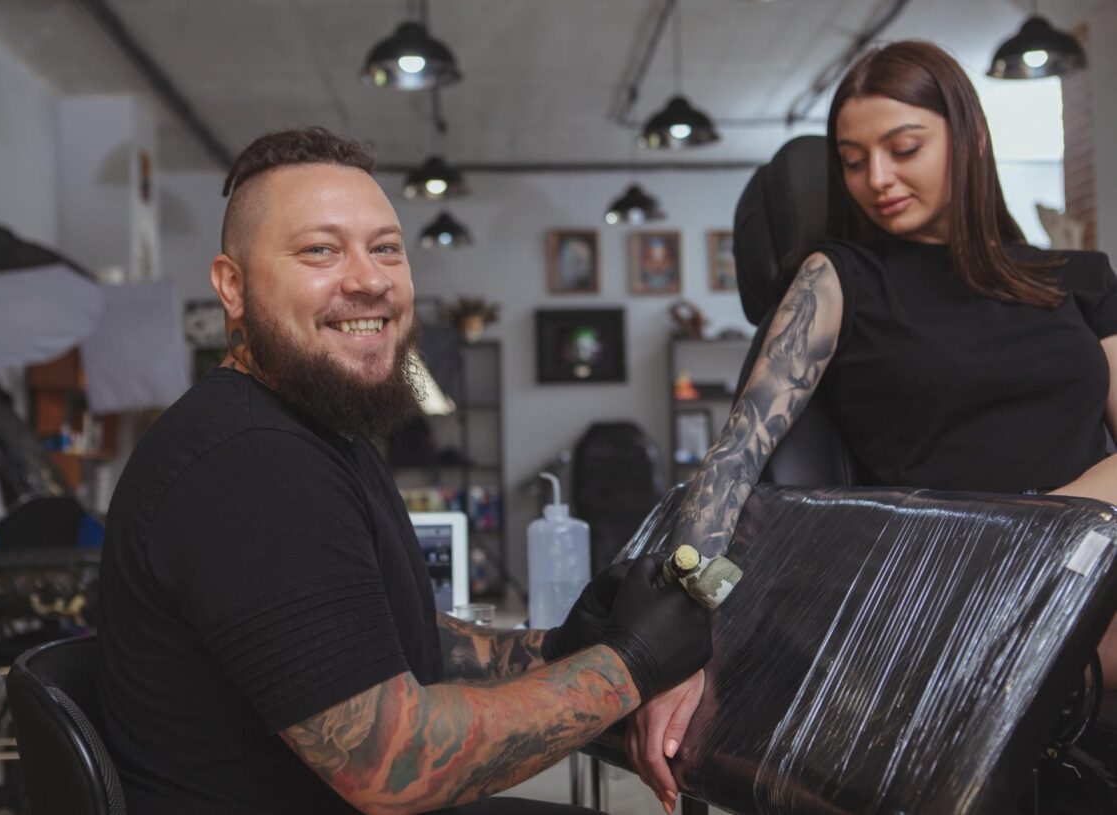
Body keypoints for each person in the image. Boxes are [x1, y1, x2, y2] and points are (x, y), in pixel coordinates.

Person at [97, 126, 713, 815]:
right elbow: (396, 764)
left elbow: (384, 635)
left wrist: (564, 644)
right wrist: (628, 666)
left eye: (386, 248)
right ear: (232, 287)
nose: (368, 279)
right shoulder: (249, 463)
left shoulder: (314, 430)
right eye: (320, 250)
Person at [626, 40, 1117, 813]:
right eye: (853, 160)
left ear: (969, 137)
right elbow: (731, 465)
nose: (876, 180)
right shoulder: (841, 278)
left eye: (903, 148)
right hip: (964, 588)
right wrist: (685, 647)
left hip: (1093, 563)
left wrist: (1063, 523)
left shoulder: (1078, 281)